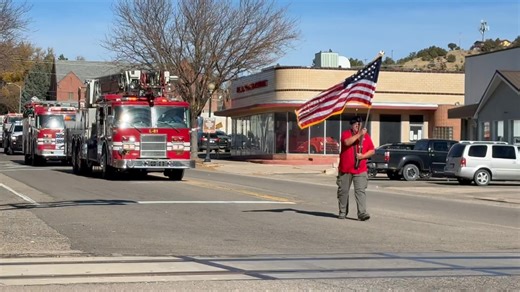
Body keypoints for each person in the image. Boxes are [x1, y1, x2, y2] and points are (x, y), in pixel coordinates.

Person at [336, 116, 375, 221]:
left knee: (360, 191)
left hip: (360, 169)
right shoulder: (346, 134)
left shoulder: (366, 136)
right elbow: (347, 142)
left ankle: (362, 213)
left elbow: (372, 150)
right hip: (345, 169)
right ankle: (342, 211)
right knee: (343, 191)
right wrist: (359, 134)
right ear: (352, 125)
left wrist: (363, 156)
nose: (358, 126)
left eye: (360, 125)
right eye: (356, 125)